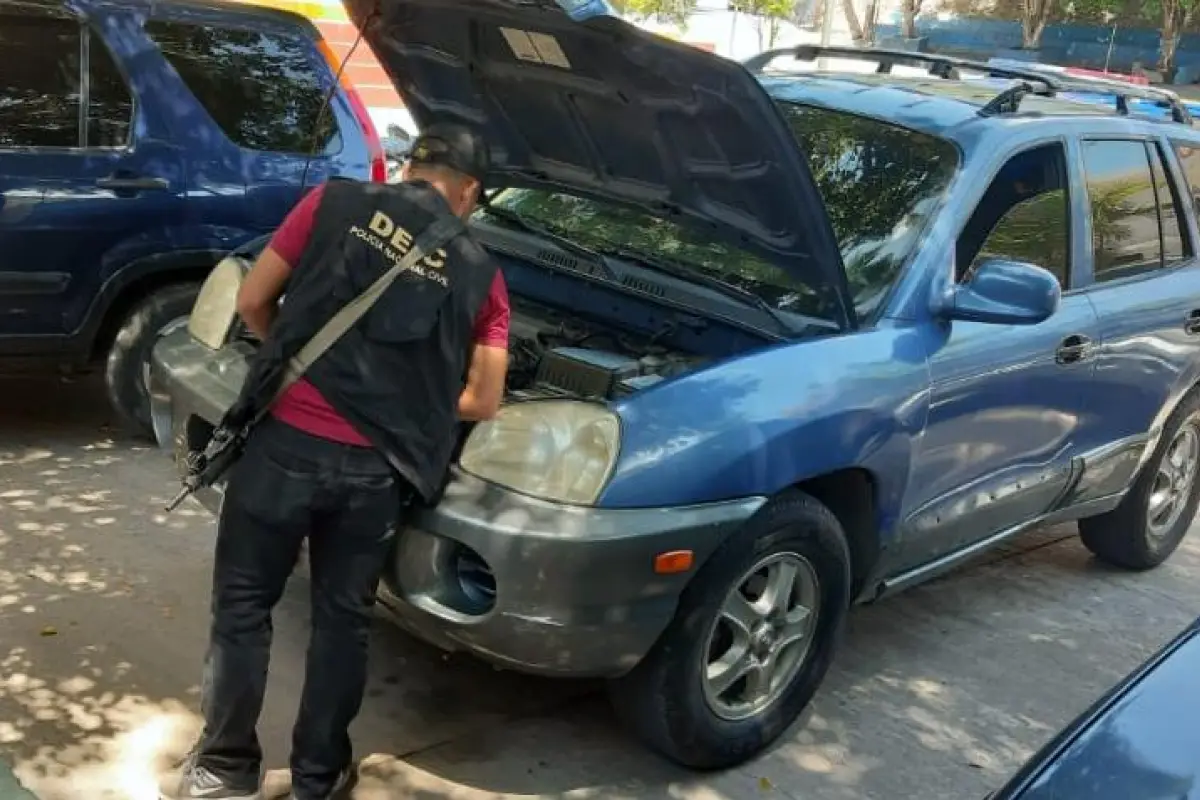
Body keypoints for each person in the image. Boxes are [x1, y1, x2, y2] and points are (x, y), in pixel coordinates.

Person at [163, 122, 510, 800]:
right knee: (342, 620)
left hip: (281, 448)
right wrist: (403, 402)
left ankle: (222, 771)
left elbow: (253, 300)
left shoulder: (331, 203)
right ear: (468, 192)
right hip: (375, 477)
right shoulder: (482, 274)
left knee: (242, 608)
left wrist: (297, 366)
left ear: (411, 168)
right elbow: (484, 398)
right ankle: (319, 780)